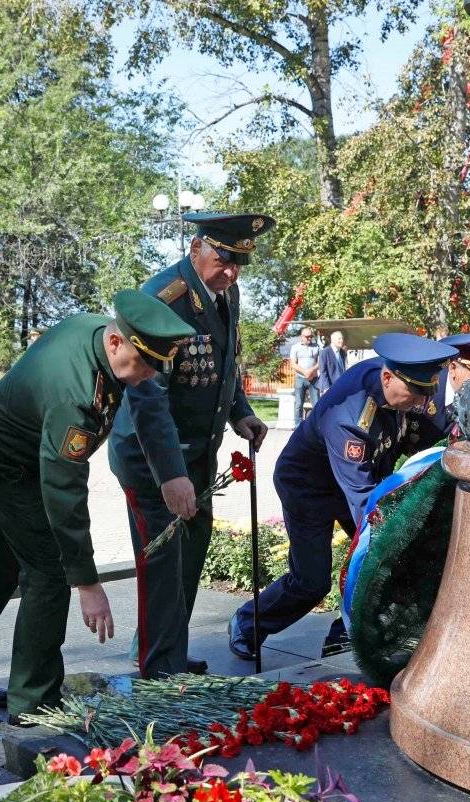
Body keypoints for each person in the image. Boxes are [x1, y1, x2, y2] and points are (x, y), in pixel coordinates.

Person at [0, 290, 195, 722]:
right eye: (142, 364)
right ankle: (33, 703)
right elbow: (64, 493)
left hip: (19, 444)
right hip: (11, 463)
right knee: (48, 572)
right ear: (115, 343)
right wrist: (87, 582)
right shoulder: (78, 396)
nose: (144, 376)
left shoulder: (96, 332)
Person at [108, 211, 274, 678]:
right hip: (152, 456)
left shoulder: (225, 293)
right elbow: (147, 396)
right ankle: (157, 669)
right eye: (224, 259)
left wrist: (241, 411)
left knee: (191, 551)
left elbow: (224, 362)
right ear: (197, 247)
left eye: (240, 263)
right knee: (162, 558)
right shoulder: (163, 300)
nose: (232, 272)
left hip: (199, 451)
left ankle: (170, 650)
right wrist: (170, 475)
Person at [228, 332, 458, 659]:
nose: (421, 403)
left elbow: (428, 438)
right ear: (388, 377)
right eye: (414, 394)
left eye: (425, 394)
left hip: (359, 477)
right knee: (312, 580)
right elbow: (363, 500)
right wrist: (396, 532)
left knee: (389, 563)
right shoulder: (351, 416)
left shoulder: (404, 385)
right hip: (310, 488)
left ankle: (344, 633)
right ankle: (248, 621)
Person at [290, 326, 320, 420]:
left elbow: (320, 363)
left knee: (316, 403)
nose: (309, 338)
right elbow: (293, 364)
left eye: (310, 336)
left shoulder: (316, 347)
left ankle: (316, 424)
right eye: (307, 336)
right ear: (301, 337)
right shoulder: (295, 347)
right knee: (298, 403)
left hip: (313, 379)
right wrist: (304, 372)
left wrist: (311, 371)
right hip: (300, 378)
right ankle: (298, 425)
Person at [316, 330, 349, 396]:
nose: (341, 340)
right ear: (332, 340)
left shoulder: (342, 352)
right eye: (339, 339)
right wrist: (326, 388)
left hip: (340, 386)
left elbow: (343, 368)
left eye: (342, 338)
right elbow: (323, 371)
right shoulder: (325, 352)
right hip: (328, 387)